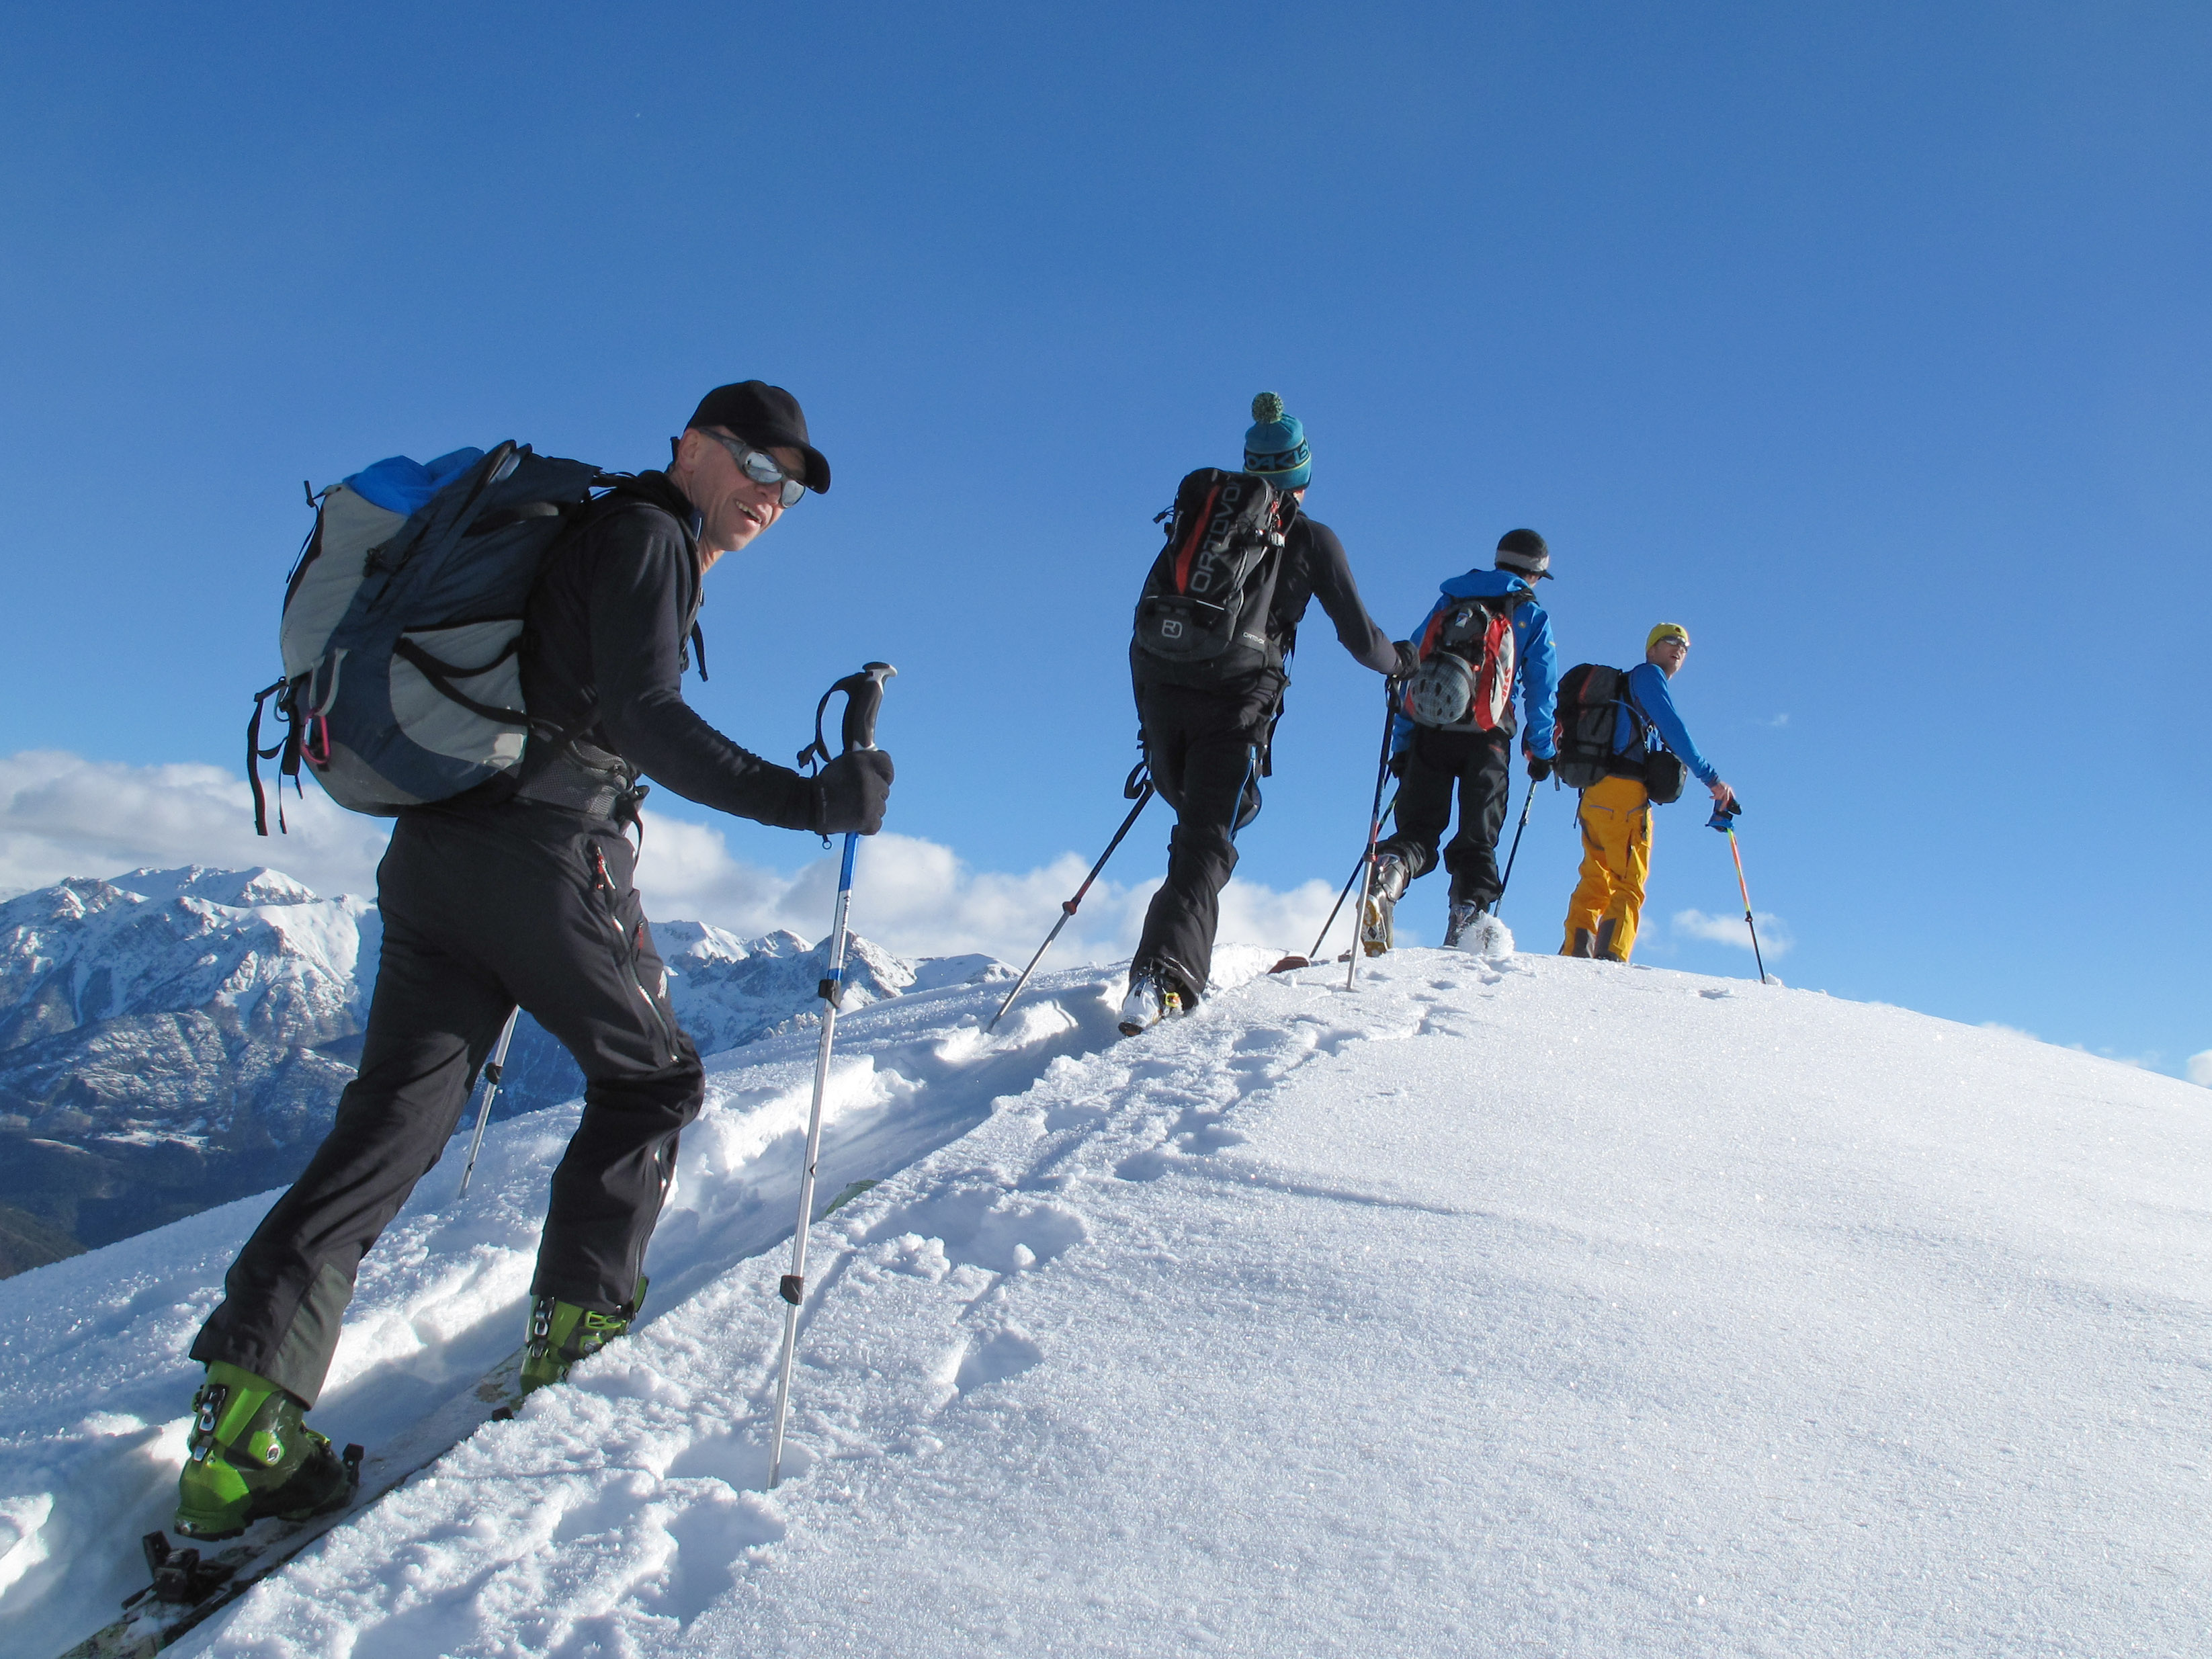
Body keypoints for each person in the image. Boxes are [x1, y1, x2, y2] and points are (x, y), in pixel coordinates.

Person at [173, 382, 894, 1541]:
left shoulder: (600, 531)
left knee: (387, 1129)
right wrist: (810, 800)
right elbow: (648, 716)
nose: (773, 493)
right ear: (694, 446)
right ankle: (580, 1327)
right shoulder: (654, 533)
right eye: (757, 463)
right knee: (653, 1076)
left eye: (793, 482)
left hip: (435, 853)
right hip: (548, 851)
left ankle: (243, 1419)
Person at [1121, 393, 1412, 1033]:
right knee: (1210, 837)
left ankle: (1168, 963)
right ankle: (1161, 976)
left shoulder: (1198, 523)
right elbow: (1364, 642)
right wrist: (1403, 663)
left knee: (1201, 829)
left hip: (1162, 689)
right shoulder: (1311, 538)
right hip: (1241, 700)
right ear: (1303, 474)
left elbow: (1147, 611)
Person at [1362, 529, 1560, 952]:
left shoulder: (1450, 601)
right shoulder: (1530, 615)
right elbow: (1542, 690)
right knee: (1477, 839)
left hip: (1431, 730)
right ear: (1535, 574)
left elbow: (1411, 663)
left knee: (1416, 830)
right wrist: (1540, 750)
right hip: (1489, 740)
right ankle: (1466, 921)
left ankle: (1389, 877)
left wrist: (1402, 744)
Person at [1560, 622, 1736, 962]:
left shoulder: (1621, 688)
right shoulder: (1647, 677)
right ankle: (1610, 959)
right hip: (1626, 796)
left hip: (1593, 795)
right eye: (1670, 641)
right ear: (1651, 649)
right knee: (1629, 882)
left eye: (1685, 647)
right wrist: (1712, 779)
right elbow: (1673, 728)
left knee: (1595, 879)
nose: (1679, 649)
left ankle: (1575, 953)